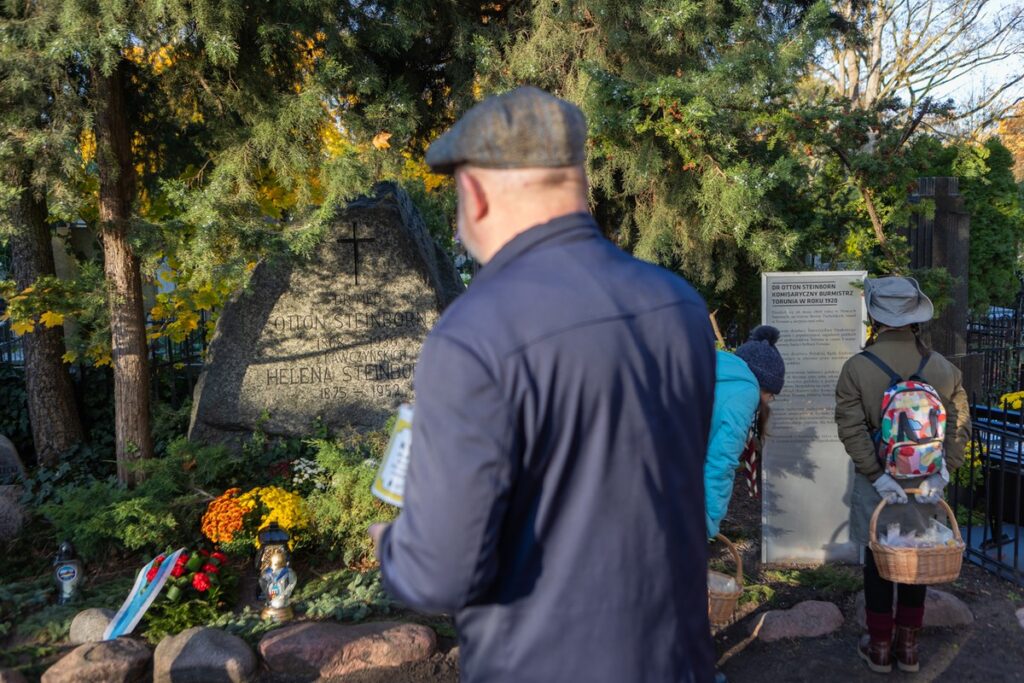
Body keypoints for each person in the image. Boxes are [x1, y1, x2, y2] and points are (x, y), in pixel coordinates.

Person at [368, 86, 718, 682]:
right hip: (676, 659)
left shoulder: (475, 334)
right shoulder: (678, 304)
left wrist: (392, 545)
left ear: (474, 194)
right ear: (575, 183)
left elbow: (440, 573)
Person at [835, 276, 970, 674]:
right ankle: (908, 649)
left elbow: (851, 428)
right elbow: (961, 424)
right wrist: (945, 471)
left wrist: (877, 476)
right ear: (916, 318)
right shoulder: (943, 368)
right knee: (918, 560)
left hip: (878, 483)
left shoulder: (857, 368)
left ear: (875, 318)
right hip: (926, 484)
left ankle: (878, 648)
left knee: (878, 563)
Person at [705, 325, 785, 540]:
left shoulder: (712, 369)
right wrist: (708, 521)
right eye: (771, 394)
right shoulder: (745, 392)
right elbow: (721, 462)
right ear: (764, 386)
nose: (769, 401)